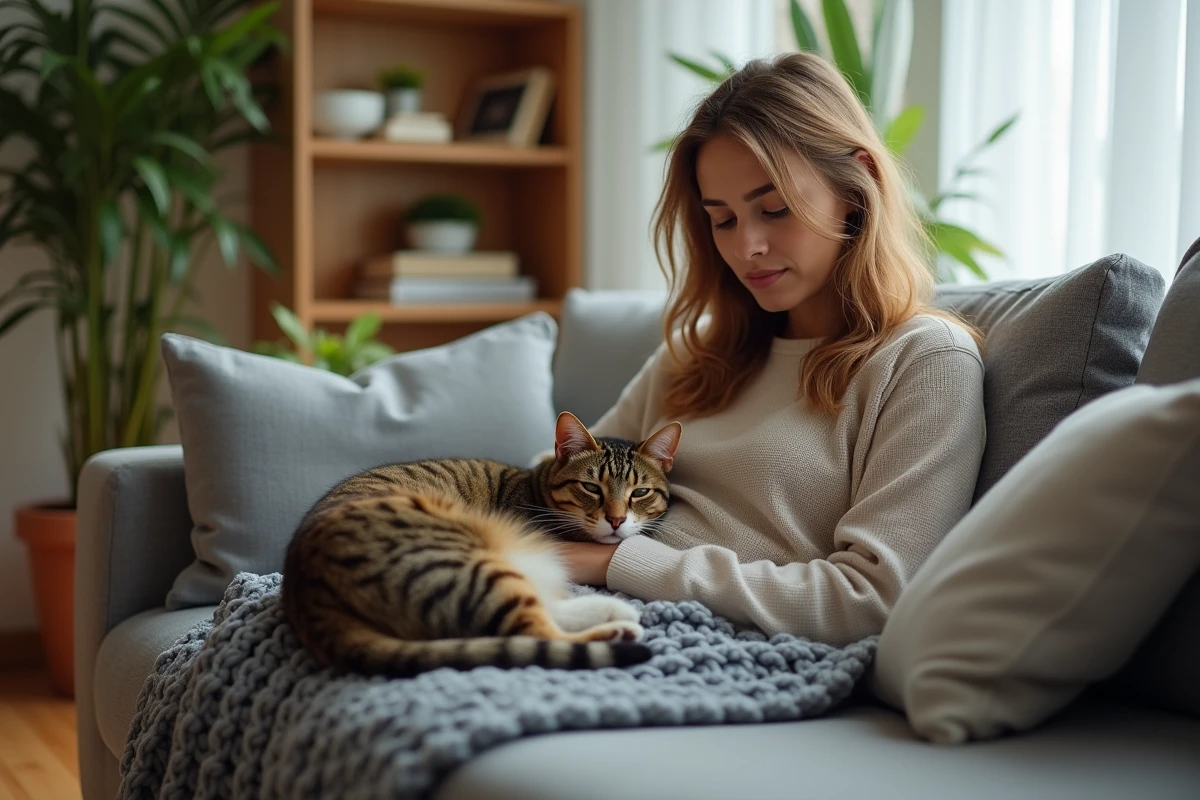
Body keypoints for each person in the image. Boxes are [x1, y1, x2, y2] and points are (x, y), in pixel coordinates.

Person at [556, 52, 986, 647]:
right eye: (722, 220)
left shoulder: (924, 363)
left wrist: (616, 566)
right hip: (571, 603)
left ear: (855, 189)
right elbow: (558, 490)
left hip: (704, 641)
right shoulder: (698, 357)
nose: (747, 246)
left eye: (775, 209)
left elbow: (873, 601)